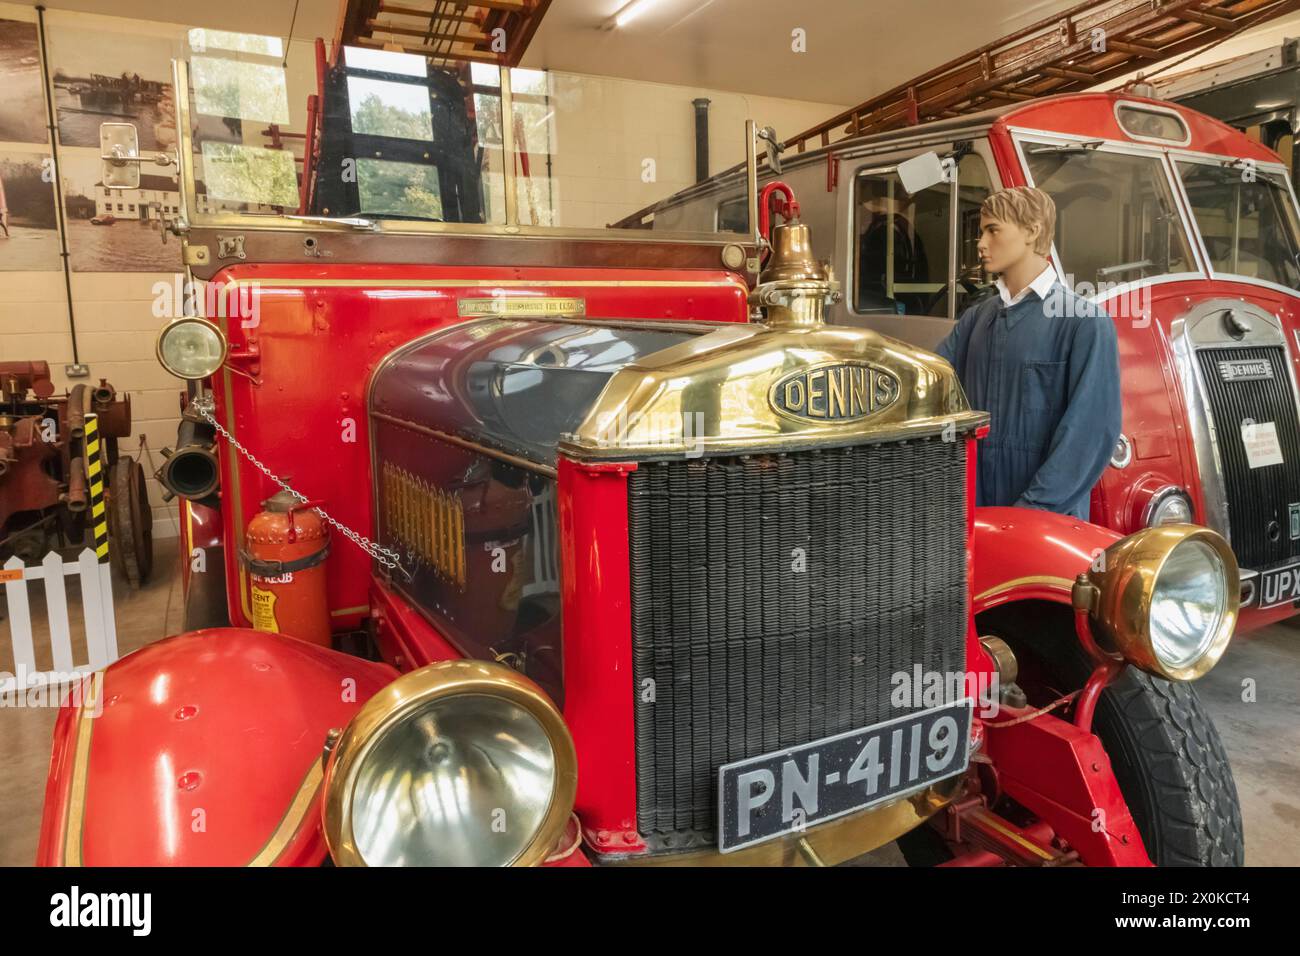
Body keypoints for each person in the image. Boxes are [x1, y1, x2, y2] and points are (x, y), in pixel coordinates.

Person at [935, 186, 1120, 520]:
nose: (980, 243)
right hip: (977, 513)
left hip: (1047, 523)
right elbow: (931, 380)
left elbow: (1087, 439)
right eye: (981, 232)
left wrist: (1031, 512)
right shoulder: (976, 319)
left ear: (1032, 231)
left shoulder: (1084, 323)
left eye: (993, 230)